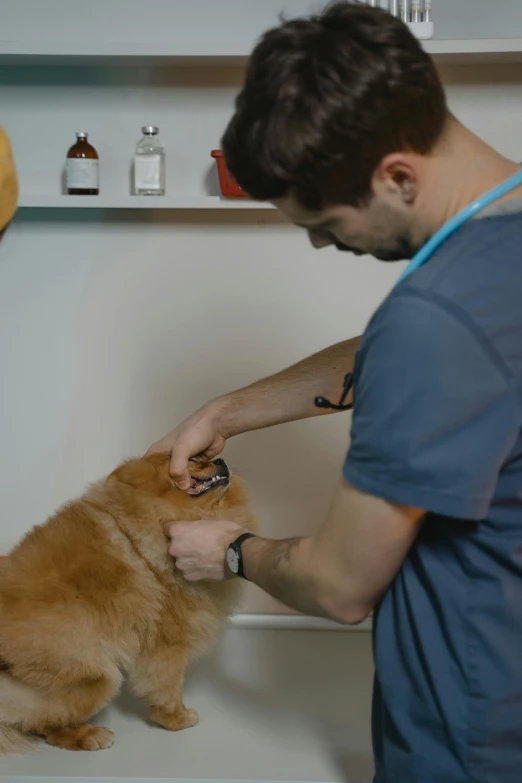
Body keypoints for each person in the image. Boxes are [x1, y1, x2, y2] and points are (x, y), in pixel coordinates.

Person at [149, 4, 522, 782]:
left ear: (396, 175)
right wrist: (227, 411)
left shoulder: (434, 321)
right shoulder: (492, 261)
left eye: (323, 221)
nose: (323, 242)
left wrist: (232, 551)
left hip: (473, 734)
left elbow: (340, 584)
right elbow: (446, 357)